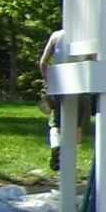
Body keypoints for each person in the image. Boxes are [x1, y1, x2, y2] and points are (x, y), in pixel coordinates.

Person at [39, 29, 65, 170]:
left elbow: (44, 61)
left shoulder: (56, 35)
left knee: (55, 123)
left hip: (59, 83)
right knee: (78, 126)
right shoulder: (89, 36)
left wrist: (46, 80)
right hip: (82, 86)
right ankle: (69, 155)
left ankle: (56, 145)